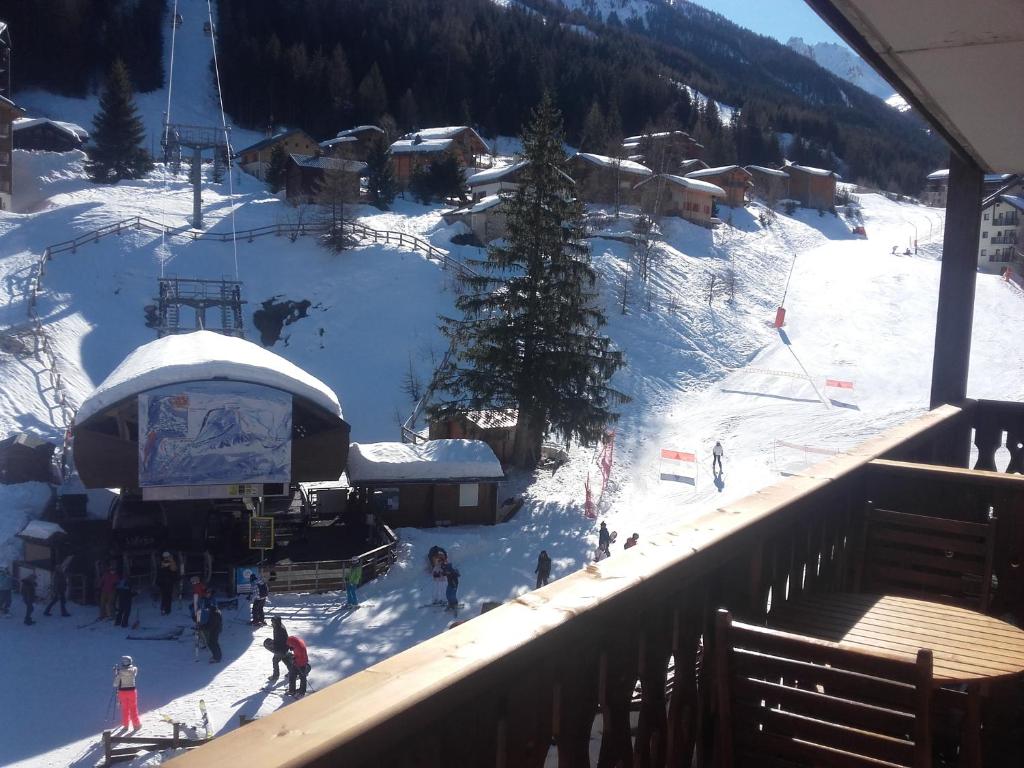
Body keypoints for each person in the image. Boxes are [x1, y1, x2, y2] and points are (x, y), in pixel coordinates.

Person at [113, 655, 142, 731]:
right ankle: (136, 724)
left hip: (122, 692)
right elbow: (134, 673)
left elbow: (115, 684)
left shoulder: (120, 672)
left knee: (125, 709)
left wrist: (116, 673)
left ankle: (125, 725)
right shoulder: (134, 669)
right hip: (132, 691)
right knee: (133, 708)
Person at [267, 616, 291, 681]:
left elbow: (279, 641)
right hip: (284, 647)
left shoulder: (279, 629)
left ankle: (275, 676)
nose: (272, 623)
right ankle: (292, 672)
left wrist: (273, 645)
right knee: (285, 659)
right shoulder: (279, 626)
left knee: (275, 660)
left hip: (281, 648)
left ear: (276, 622)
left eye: (273, 622)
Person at [201, 597, 223, 663]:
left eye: (207, 609)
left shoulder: (214, 614)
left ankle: (217, 657)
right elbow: (210, 623)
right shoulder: (215, 612)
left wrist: (202, 627)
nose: (207, 610)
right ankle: (217, 656)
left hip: (215, 630)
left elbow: (211, 624)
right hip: (216, 629)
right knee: (214, 642)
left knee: (212, 643)